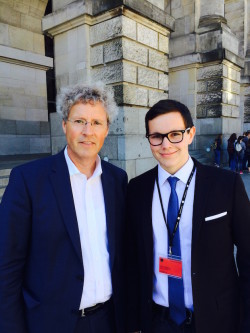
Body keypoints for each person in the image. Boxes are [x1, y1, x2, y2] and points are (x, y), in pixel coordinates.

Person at [0, 83, 128, 333]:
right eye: (79, 120)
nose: (87, 131)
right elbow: (7, 265)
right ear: (64, 125)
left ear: (107, 129)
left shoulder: (117, 180)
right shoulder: (28, 180)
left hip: (109, 320)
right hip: (51, 323)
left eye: (96, 123)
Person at [126, 99, 250, 333]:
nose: (166, 144)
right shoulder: (137, 189)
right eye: (156, 136)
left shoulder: (226, 184)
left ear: (191, 134)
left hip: (216, 319)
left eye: (175, 134)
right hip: (157, 321)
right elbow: (132, 260)